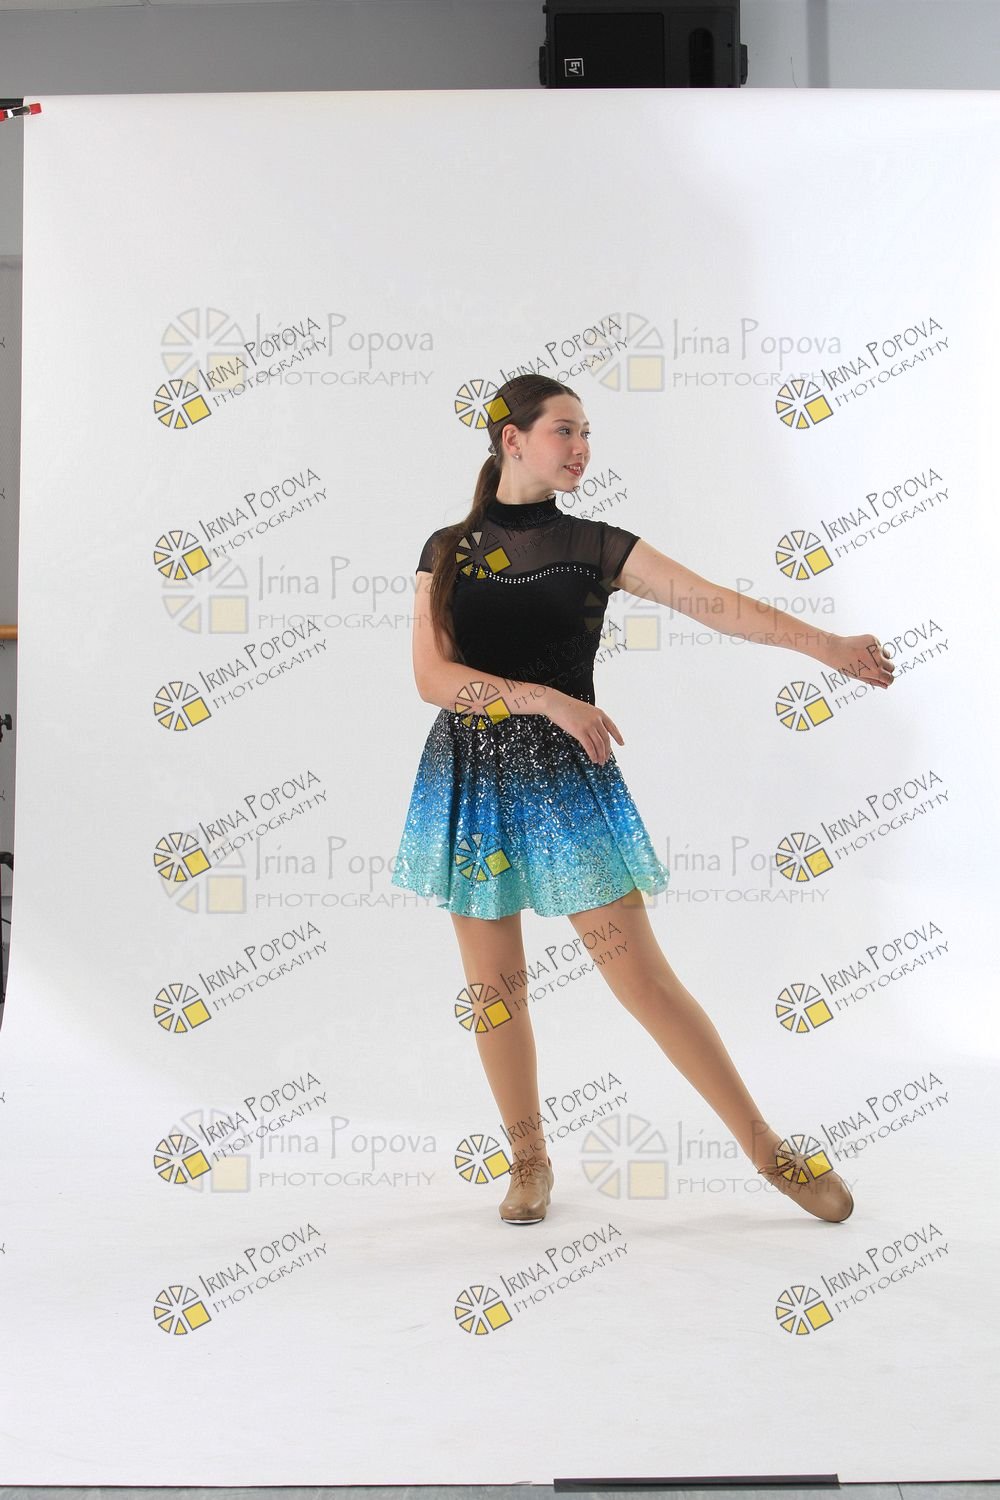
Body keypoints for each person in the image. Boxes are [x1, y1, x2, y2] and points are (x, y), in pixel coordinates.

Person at [391, 374, 894, 1227]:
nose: (581, 447)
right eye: (564, 430)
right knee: (495, 989)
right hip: (471, 780)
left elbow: (718, 604)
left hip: (565, 783)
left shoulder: (594, 546)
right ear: (512, 439)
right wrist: (545, 699)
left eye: (587, 432)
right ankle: (528, 1161)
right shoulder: (449, 549)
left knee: (644, 980)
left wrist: (827, 646)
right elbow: (431, 678)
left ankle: (768, 1150)